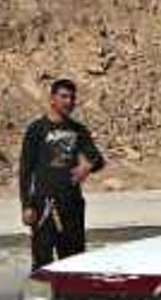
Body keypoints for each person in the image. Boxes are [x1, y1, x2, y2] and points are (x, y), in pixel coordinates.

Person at [19, 78, 107, 267]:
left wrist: (87, 166)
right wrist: (26, 206)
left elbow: (98, 160)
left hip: (71, 206)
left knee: (73, 263)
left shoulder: (78, 131)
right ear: (52, 99)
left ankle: (71, 298)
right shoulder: (37, 129)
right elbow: (25, 170)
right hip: (44, 206)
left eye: (72, 98)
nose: (69, 102)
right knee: (42, 263)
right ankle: (42, 297)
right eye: (64, 96)